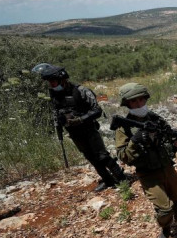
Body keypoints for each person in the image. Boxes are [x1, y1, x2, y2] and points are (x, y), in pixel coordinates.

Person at [114, 83, 177, 238]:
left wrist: (176, 143)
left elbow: (167, 140)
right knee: (164, 209)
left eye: (142, 99)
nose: (140, 104)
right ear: (127, 104)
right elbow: (123, 156)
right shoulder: (124, 127)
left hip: (166, 167)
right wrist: (135, 140)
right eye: (134, 102)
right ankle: (165, 232)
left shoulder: (155, 118)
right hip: (148, 174)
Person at [33, 63, 126, 192]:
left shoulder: (81, 90)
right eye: (50, 82)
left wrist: (80, 119)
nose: (52, 85)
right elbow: (57, 110)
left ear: (62, 79)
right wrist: (59, 121)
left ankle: (122, 179)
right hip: (74, 133)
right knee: (90, 157)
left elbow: (97, 110)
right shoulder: (54, 94)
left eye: (53, 82)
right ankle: (108, 181)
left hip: (89, 130)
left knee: (102, 156)